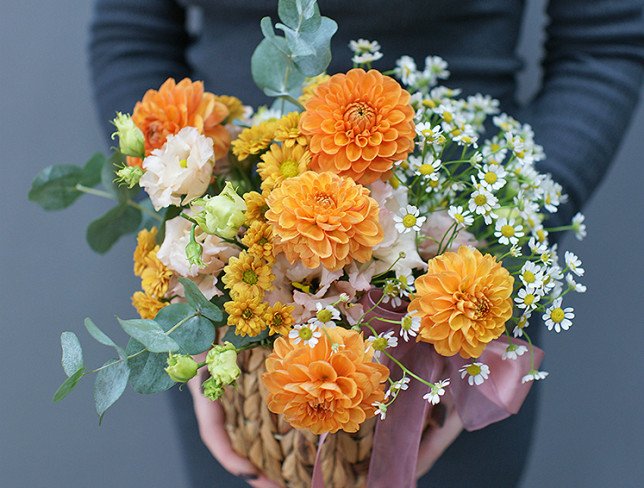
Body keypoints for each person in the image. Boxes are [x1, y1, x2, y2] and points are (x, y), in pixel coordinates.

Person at [89, 1, 644, 486]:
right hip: (225, 305)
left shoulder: (473, 264)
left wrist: (503, 238)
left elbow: (603, 42)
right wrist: (188, 228)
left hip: (463, 291)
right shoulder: (217, 290)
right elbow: (131, 34)